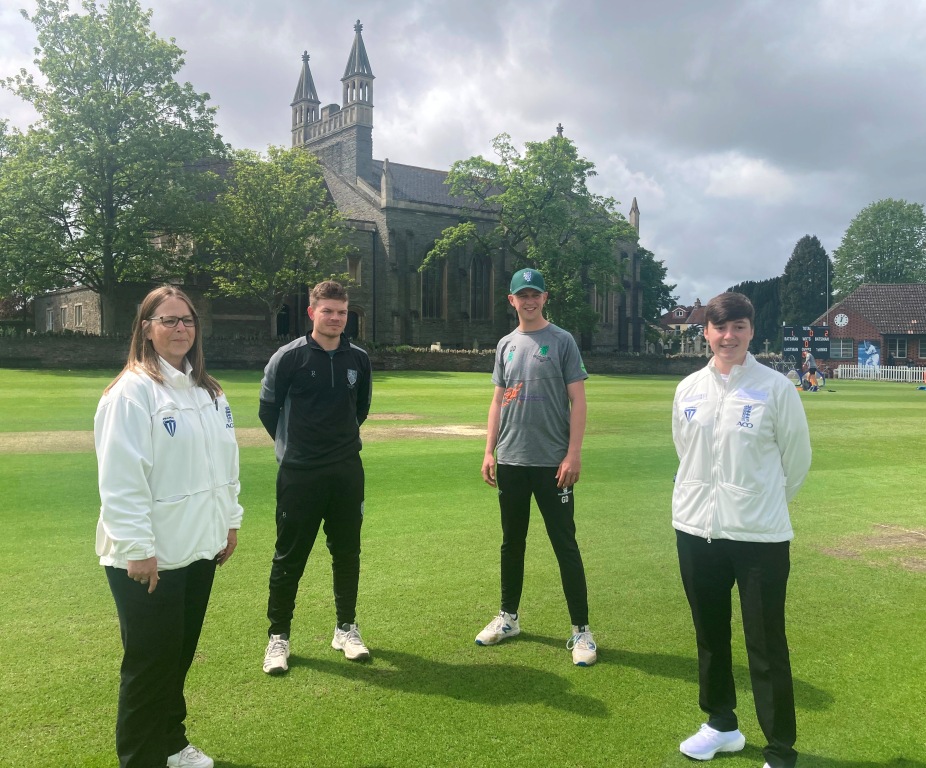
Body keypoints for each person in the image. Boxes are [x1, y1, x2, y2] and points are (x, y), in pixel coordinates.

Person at [94, 286, 243, 768]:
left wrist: (230, 521)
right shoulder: (131, 392)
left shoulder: (208, 392)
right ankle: (141, 759)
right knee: (149, 666)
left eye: (187, 320)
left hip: (199, 547)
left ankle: (172, 744)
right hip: (148, 556)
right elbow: (121, 479)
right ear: (146, 328)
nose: (180, 328)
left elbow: (226, 465)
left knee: (176, 658)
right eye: (168, 320)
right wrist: (138, 548)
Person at [671, 292, 811, 768]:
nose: (728, 336)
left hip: (759, 538)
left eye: (739, 327)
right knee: (710, 635)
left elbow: (797, 460)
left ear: (751, 331)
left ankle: (780, 751)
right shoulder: (688, 388)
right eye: (720, 327)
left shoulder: (775, 388)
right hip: (696, 530)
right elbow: (686, 451)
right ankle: (721, 725)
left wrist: (759, 503)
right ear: (706, 332)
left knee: (766, 645)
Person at [477, 268, 597, 666]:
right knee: (512, 542)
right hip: (511, 460)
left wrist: (573, 453)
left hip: (552, 463)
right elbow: (498, 401)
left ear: (545, 298)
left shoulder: (562, 341)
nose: (529, 301)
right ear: (511, 300)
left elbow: (578, 400)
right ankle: (508, 617)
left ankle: (581, 630)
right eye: (522, 295)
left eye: (535, 294)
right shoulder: (506, 344)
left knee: (565, 544)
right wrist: (489, 451)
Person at [259, 280, 373, 674]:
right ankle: (279, 637)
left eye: (341, 312)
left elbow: (360, 409)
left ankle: (346, 629)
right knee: (289, 557)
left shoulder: (358, 359)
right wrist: (296, 448)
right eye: (328, 311)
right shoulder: (288, 357)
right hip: (300, 474)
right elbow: (268, 410)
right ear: (312, 313)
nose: (336, 318)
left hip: (346, 471)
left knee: (347, 552)